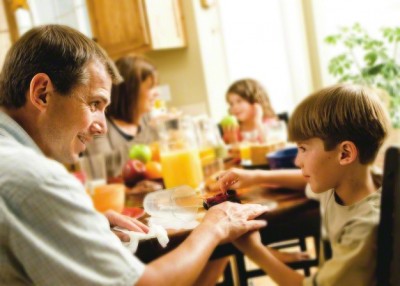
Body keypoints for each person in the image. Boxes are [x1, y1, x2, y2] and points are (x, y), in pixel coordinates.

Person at [0, 24, 269, 285]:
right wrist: (215, 227)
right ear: (42, 93)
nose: (102, 127)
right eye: (94, 104)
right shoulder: (35, 178)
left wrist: (76, 226)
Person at [218, 84, 389, 285]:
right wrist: (256, 176)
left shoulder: (363, 230)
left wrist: (254, 250)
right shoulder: (352, 181)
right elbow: (303, 179)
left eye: (303, 149)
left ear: (345, 153)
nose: (297, 161)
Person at [82, 55, 161, 192]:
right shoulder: (98, 125)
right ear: (130, 91)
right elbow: (106, 168)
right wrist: (149, 132)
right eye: (150, 87)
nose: (157, 94)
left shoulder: (146, 119)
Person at [222, 78, 277, 144]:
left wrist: (257, 122)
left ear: (255, 101)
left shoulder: (269, 123)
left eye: (239, 101)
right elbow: (230, 153)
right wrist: (232, 140)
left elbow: (272, 146)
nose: (234, 107)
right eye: (231, 104)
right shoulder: (234, 129)